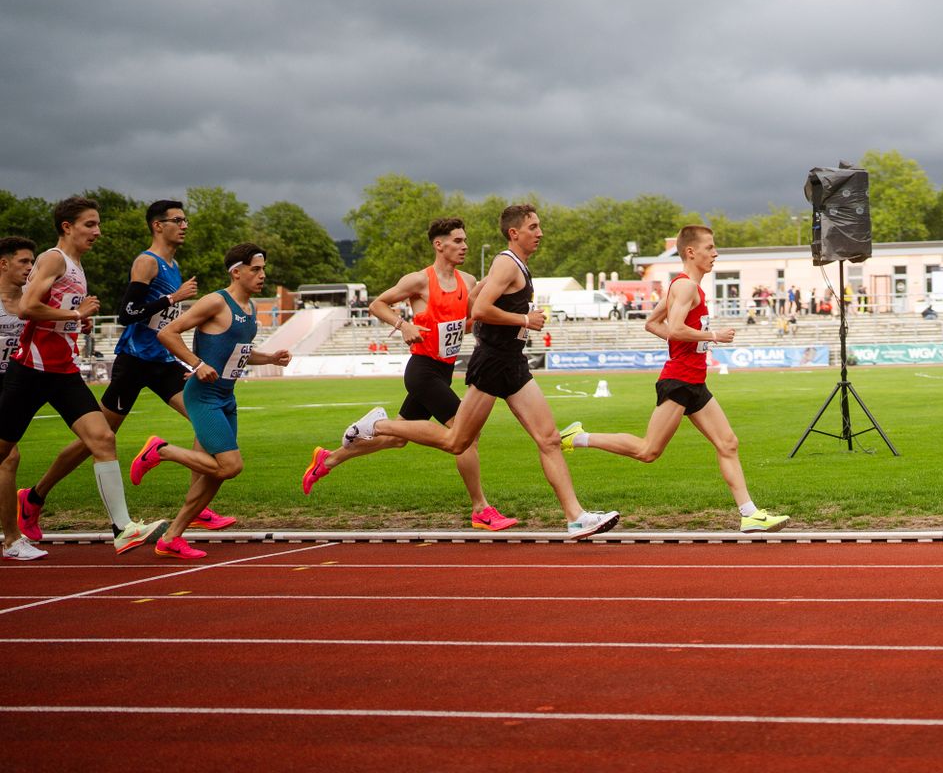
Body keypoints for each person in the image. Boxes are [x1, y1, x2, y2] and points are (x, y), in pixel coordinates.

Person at [344, 205, 617, 539]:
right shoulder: (506, 262)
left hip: (512, 362)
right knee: (456, 440)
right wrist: (523, 320)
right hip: (491, 364)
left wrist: (473, 315)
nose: (540, 232)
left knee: (548, 438)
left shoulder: (515, 267)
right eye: (534, 226)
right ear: (514, 233)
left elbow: (475, 300)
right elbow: (485, 309)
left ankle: (576, 517)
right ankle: (378, 424)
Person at [20, 199, 240, 540]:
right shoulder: (146, 263)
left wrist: (187, 358)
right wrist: (172, 298)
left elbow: (165, 323)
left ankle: (197, 507)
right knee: (95, 440)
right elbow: (128, 312)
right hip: (135, 363)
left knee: (206, 418)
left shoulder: (173, 264)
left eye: (186, 221)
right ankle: (34, 496)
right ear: (158, 225)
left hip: (163, 363)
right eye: (177, 220)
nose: (184, 226)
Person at [556, 225, 789, 534]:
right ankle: (577, 437)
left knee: (728, 443)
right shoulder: (685, 287)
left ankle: (750, 514)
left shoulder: (688, 287)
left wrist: (686, 342)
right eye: (710, 247)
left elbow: (653, 324)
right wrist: (713, 336)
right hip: (679, 381)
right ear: (691, 252)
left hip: (695, 381)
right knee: (648, 451)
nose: (715, 253)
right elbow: (676, 328)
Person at [299, 218, 517, 531]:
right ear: (438, 245)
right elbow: (378, 304)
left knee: (397, 440)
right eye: (457, 241)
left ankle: (329, 459)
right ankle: (480, 508)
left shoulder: (467, 281)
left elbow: (466, 321)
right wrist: (403, 325)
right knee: (465, 435)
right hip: (422, 370)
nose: (464, 246)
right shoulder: (419, 281)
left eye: (465, 240)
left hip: (443, 371)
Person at [0, 198, 164, 554]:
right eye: (90, 224)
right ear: (67, 227)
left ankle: (123, 529)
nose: (98, 232)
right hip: (30, 370)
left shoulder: (75, 265)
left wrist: (76, 320)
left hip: (63, 372)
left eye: (98, 224)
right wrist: (75, 315)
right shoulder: (54, 258)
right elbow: (28, 307)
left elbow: (51, 314)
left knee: (103, 438)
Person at [134, 244, 290, 559]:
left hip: (226, 398)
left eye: (263, 269)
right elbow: (168, 333)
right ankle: (160, 451)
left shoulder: (250, 309)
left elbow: (239, 354)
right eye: (255, 269)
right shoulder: (216, 301)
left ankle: (171, 538)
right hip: (204, 397)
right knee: (230, 466)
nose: (262, 275)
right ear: (236, 271)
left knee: (213, 478)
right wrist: (197, 364)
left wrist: (270, 356)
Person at [0, 237, 47, 559]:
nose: (30, 268)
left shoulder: (32, 301)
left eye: (33, 262)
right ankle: (11, 539)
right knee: (9, 457)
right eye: (24, 262)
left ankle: (12, 537)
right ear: (4, 263)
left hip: (17, 382)